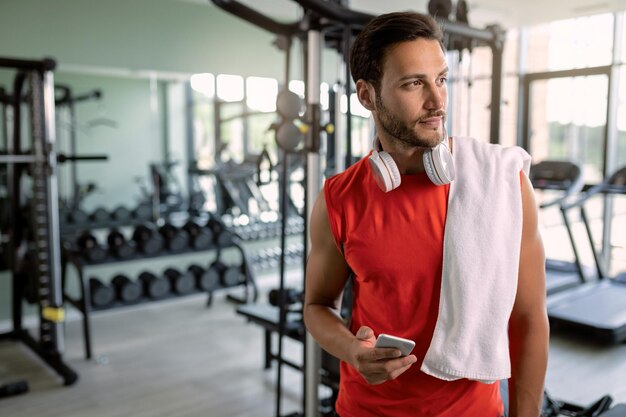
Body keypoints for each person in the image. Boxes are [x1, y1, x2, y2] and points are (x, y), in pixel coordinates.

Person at [303, 11, 549, 417]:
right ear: (367, 96)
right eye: (414, 83)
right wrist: (351, 350)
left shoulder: (502, 183)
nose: (437, 102)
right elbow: (316, 305)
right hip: (365, 410)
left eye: (441, 79)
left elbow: (529, 319)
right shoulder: (338, 198)